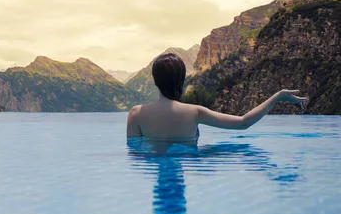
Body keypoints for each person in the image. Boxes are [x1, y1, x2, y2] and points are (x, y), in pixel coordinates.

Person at [126, 53, 309, 140]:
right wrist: (277, 97)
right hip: (190, 162)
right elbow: (243, 122)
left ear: (155, 81)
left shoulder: (136, 114)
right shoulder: (194, 112)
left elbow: (135, 154)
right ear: (181, 80)